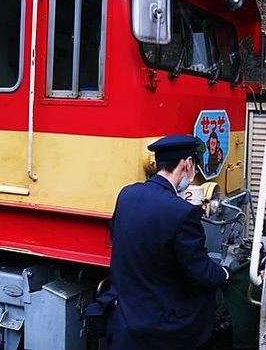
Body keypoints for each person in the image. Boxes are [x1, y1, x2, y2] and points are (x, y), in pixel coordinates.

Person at [89, 135, 230, 350]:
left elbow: (116, 234)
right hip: (160, 327)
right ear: (187, 164)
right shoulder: (183, 212)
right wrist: (225, 273)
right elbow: (200, 272)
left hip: (123, 319)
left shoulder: (127, 194)